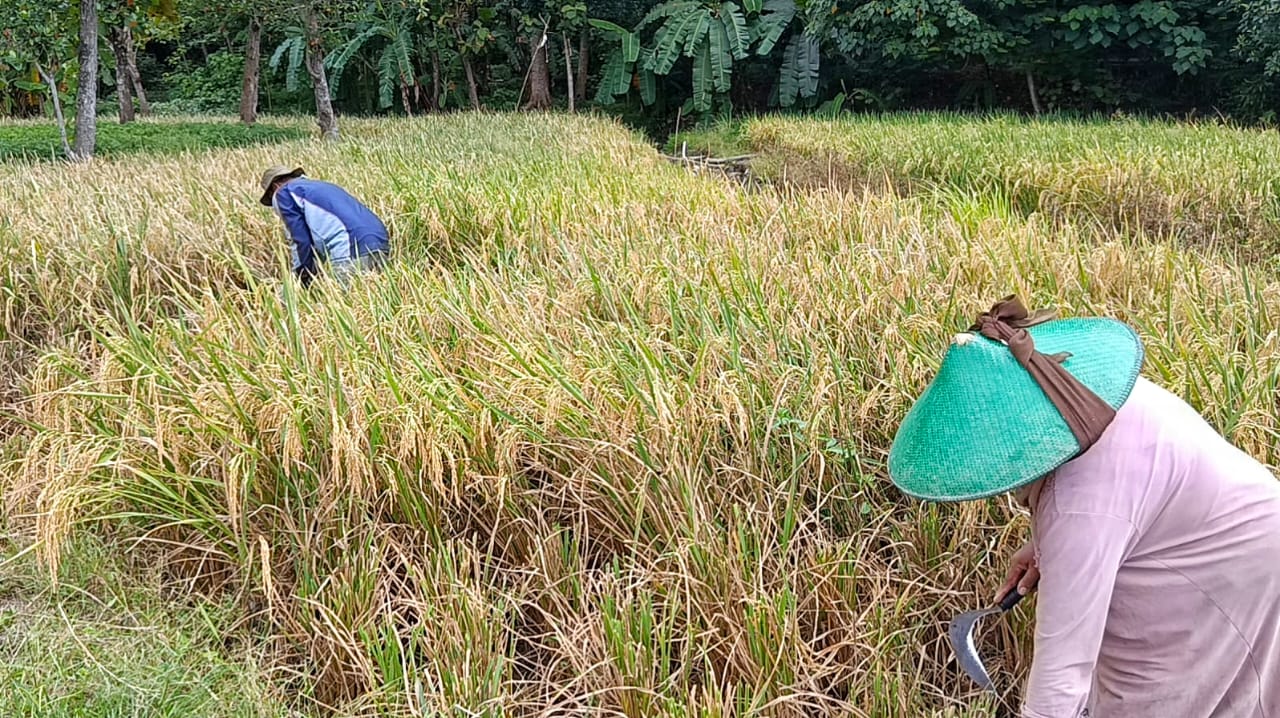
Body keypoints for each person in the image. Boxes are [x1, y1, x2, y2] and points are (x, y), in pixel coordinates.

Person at [888, 296, 1280, 717]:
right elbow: (1127, 499)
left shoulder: (1078, 511)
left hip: (1233, 571)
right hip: (1217, 529)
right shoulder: (1074, 388)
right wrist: (1048, 546)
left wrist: (1067, 544)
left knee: (1146, 697)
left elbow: (1060, 682)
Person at [258, 165, 390, 287]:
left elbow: (300, 240)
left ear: (274, 187)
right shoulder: (321, 186)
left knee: (345, 305)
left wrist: (302, 277)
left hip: (349, 247)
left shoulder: (283, 193)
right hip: (380, 241)